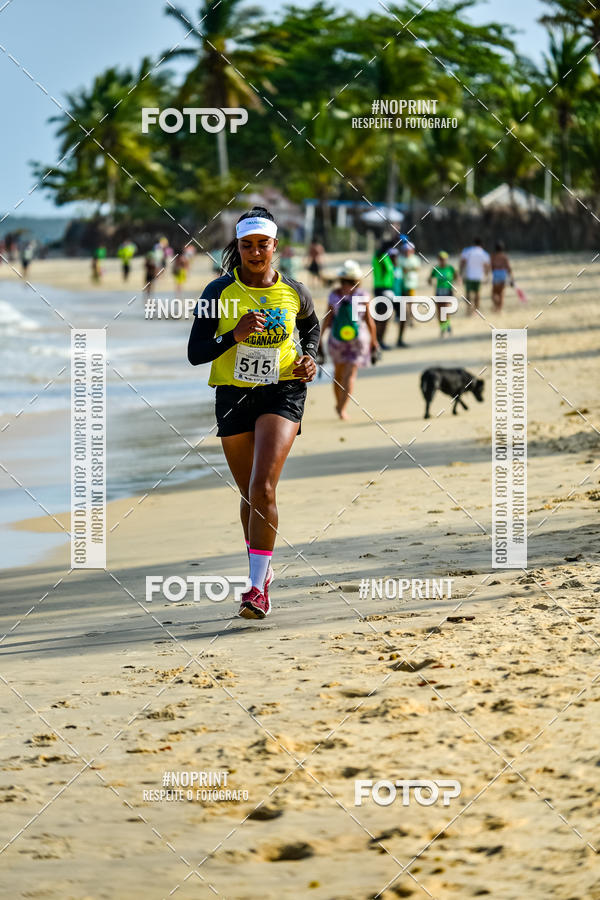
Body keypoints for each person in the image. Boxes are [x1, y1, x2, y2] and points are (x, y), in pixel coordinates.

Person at [187, 207, 320, 620]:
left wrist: (310, 358)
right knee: (249, 493)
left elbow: (311, 328)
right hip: (232, 396)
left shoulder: (294, 291)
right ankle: (262, 567)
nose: (256, 252)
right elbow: (196, 352)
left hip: (283, 392)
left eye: (263, 245)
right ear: (238, 247)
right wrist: (234, 334)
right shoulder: (217, 292)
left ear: (275, 246)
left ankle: (256, 588)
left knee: (263, 488)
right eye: (248, 245)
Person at [318, 260, 378, 420]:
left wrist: (320, 339)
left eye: (349, 282)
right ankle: (341, 407)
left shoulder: (334, 295)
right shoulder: (363, 295)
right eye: (346, 281)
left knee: (340, 375)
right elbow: (369, 320)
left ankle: (341, 406)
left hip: (337, 339)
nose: (347, 284)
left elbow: (327, 319)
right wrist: (374, 341)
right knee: (346, 375)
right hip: (357, 339)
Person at [372, 240, 395, 349]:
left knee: (383, 317)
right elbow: (386, 271)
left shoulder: (384, 257)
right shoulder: (380, 257)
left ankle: (379, 340)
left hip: (386, 288)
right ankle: (378, 340)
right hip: (382, 288)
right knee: (382, 317)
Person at [428, 251, 457, 338]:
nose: (442, 260)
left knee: (446, 309)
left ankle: (447, 325)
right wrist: (430, 281)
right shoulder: (436, 268)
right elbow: (430, 278)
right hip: (439, 290)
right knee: (439, 310)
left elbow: (456, 276)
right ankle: (442, 327)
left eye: (444, 259)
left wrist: (455, 282)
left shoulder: (450, 268)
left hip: (448, 290)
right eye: (441, 259)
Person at [459, 237, 490, 314]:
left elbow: (462, 262)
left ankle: (468, 309)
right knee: (477, 294)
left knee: (468, 293)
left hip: (469, 275)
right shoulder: (484, 253)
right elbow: (486, 266)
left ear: (473, 243)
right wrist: (487, 276)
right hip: (479, 276)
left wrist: (461, 273)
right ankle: (476, 310)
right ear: (481, 244)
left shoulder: (467, 251)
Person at [398, 241, 420, 346]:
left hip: (411, 284)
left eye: (408, 250)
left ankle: (411, 319)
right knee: (403, 303)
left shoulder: (415, 259)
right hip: (402, 284)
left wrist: (408, 269)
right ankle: (404, 318)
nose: (407, 252)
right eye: (405, 250)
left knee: (410, 302)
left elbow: (417, 268)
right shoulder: (400, 259)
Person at [490, 241, 513, 312]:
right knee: (501, 293)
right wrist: (511, 278)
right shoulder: (504, 256)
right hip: (503, 274)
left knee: (494, 293)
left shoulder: (493, 256)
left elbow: (491, 266)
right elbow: (508, 268)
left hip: (496, 274)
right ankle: (499, 309)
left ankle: (496, 306)